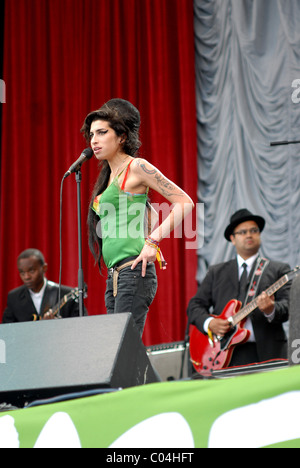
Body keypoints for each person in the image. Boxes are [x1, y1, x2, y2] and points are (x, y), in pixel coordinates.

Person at [81, 98, 194, 336]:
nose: (94, 140)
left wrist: (153, 242)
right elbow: (145, 212)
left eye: (102, 132)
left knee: (123, 349)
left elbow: (185, 202)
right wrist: (147, 237)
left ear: (122, 137)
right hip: (115, 276)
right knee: (118, 350)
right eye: (91, 134)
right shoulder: (109, 177)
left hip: (133, 273)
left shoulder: (137, 167)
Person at [187, 209, 291, 367]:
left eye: (254, 230)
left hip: (268, 353)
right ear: (232, 239)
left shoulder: (279, 269)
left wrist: (271, 309)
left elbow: (290, 306)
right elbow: (195, 306)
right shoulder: (216, 272)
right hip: (224, 355)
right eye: (243, 232)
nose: (249, 235)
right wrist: (210, 323)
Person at [2, 249, 84, 323]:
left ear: (44, 268)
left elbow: (81, 326)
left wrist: (59, 324)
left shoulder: (65, 293)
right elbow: (7, 330)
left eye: (31, 271)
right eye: (22, 273)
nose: (26, 277)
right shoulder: (14, 297)